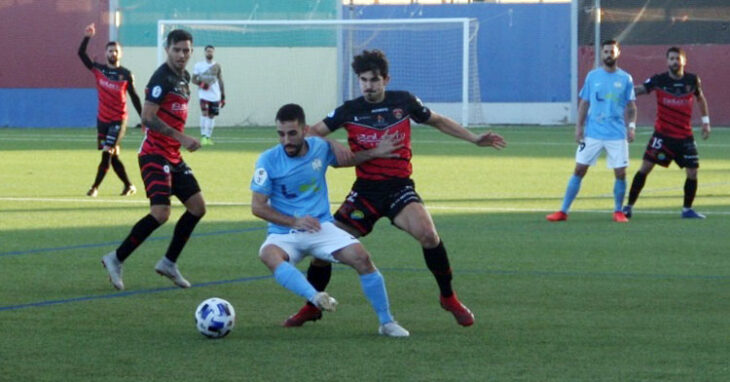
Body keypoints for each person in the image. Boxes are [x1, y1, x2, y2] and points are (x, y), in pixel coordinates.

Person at [284, 49, 507, 328]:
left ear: (386, 79)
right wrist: (333, 143)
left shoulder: (404, 101)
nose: (368, 85)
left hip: (399, 188)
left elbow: (437, 121)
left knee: (428, 235)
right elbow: (312, 132)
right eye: (363, 80)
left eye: (374, 80)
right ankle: (312, 306)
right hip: (365, 192)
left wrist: (474, 139)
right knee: (323, 248)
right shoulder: (349, 110)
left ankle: (448, 297)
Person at [251, 103, 409, 337]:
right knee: (268, 255)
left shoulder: (319, 147)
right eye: (281, 134)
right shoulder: (267, 160)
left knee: (362, 259)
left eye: (292, 133)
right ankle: (315, 297)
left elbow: (348, 159)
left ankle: (387, 323)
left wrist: (373, 152)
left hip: (320, 227)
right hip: (284, 232)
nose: (286, 141)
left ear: (305, 130)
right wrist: (294, 221)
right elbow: (257, 207)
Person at [101, 29, 204, 291]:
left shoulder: (184, 78)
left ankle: (169, 262)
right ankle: (115, 258)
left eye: (186, 50)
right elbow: (147, 117)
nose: (182, 55)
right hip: (154, 154)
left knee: (197, 207)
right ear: (167, 49)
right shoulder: (162, 78)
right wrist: (181, 137)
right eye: (177, 50)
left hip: (173, 155)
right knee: (161, 213)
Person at [546, 39, 637, 223]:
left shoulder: (625, 78)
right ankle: (563, 211)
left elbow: (632, 107)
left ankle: (618, 211)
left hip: (617, 134)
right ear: (601, 54)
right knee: (579, 169)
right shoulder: (592, 77)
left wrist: (632, 127)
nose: (609, 55)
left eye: (612, 51)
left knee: (621, 173)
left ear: (618, 53)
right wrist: (579, 127)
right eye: (606, 52)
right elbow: (584, 103)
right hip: (592, 133)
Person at [622, 47, 711, 219]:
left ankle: (687, 210)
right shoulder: (659, 80)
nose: (674, 62)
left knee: (693, 172)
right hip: (662, 136)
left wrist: (705, 122)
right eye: (671, 58)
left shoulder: (692, 80)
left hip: (685, 136)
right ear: (667, 61)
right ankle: (628, 206)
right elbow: (640, 89)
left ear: (684, 61)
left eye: (678, 59)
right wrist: (621, 91)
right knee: (645, 168)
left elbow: (700, 98)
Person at [78, 23, 142, 197]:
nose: (113, 53)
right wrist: (87, 37)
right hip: (103, 120)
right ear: (106, 53)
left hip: (118, 120)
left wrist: (144, 119)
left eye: (116, 51)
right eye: (110, 51)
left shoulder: (126, 74)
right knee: (113, 157)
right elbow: (81, 54)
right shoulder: (99, 69)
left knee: (107, 152)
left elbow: (134, 97)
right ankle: (129, 186)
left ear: (120, 54)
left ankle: (94, 187)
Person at [191, 45, 225, 146]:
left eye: (211, 51)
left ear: (213, 53)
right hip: (203, 95)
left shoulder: (217, 66)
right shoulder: (199, 65)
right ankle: (203, 136)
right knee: (204, 113)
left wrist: (223, 96)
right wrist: (201, 84)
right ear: (205, 52)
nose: (209, 53)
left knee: (212, 116)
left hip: (215, 95)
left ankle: (208, 136)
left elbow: (220, 80)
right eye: (208, 51)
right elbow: (193, 79)